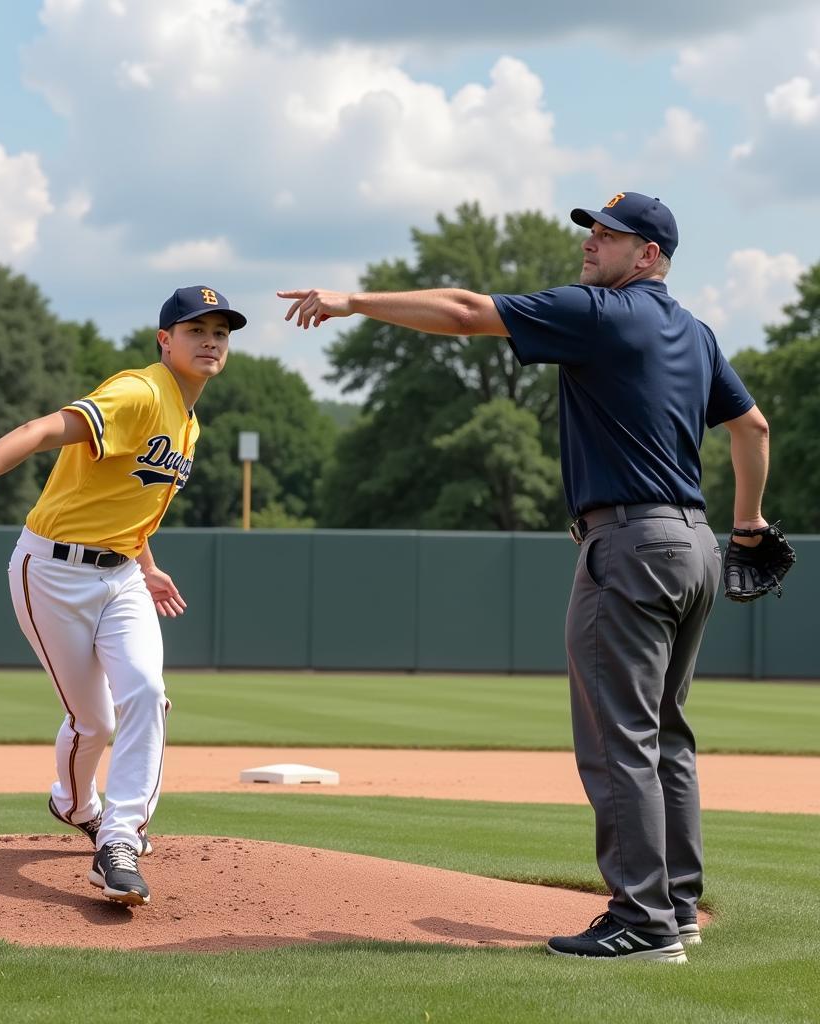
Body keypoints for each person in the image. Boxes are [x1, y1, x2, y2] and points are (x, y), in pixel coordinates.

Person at [279, 192, 771, 963]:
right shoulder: (696, 332)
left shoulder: (604, 313)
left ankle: (640, 921)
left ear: (648, 256)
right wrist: (749, 525)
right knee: (667, 737)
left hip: (631, 543)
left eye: (610, 235)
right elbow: (752, 427)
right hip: (698, 545)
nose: (591, 242)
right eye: (592, 230)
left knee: (620, 740)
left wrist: (354, 301)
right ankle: (673, 907)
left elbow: (470, 311)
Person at [0, 285, 246, 907]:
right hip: (51, 573)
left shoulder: (189, 421)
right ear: (165, 340)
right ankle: (74, 802)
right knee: (92, 720)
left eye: (221, 332)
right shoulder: (139, 392)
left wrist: (146, 565)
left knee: (148, 693)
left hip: (122, 575)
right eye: (196, 329)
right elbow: (41, 430)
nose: (210, 340)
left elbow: (134, 502)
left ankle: (119, 841)